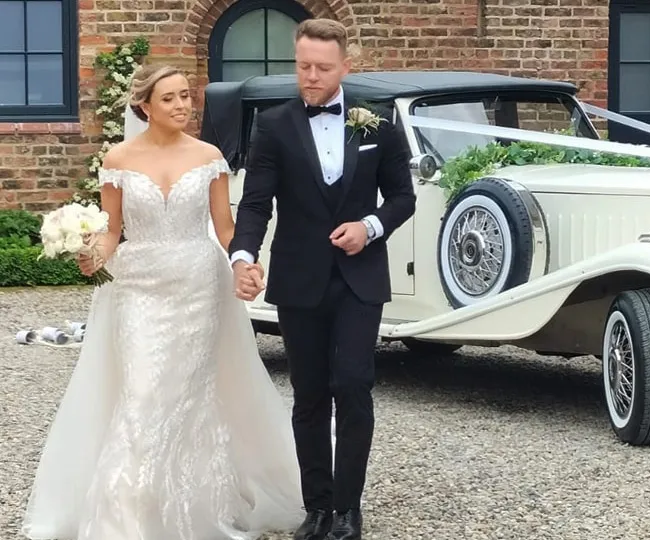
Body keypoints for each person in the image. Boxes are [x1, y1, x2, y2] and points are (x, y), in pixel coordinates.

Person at [20, 64, 306, 540]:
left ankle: (191, 505)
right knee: (142, 392)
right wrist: (92, 254)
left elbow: (226, 227)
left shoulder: (209, 156)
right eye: (169, 98)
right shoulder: (117, 159)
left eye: (186, 96)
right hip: (138, 288)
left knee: (187, 394)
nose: (181, 106)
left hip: (198, 285)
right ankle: (127, 515)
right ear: (145, 106)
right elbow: (112, 231)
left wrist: (244, 264)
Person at [229, 17, 416, 540]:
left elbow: (403, 198)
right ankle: (317, 507)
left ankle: (349, 508)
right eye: (303, 66)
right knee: (309, 395)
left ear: (345, 67)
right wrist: (242, 257)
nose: (310, 76)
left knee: (353, 385)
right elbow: (256, 204)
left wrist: (369, 226)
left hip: (360, 279)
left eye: (322, 68)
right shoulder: (274, 124)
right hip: (299, 278)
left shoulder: (376, 122)